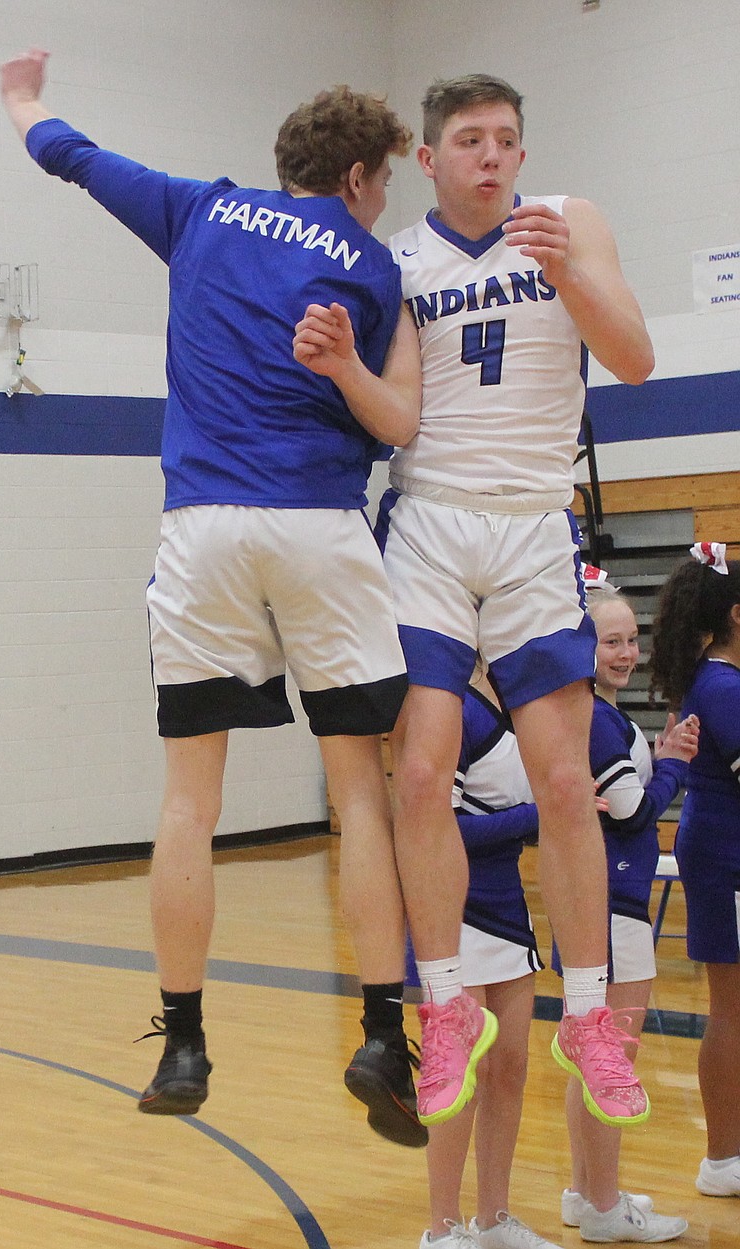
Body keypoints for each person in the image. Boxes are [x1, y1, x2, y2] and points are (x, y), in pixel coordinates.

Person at [0, 48, 429, 1146]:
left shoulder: (201, 212)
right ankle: (383, 1032)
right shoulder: (376, 270)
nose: (384, 201)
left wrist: (23, 96)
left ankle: (184, 1038)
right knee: (359, 791)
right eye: (384, 179)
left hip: (202, 533)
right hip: (321, 530)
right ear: (355, 177)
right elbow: (395, 423)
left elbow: (73, 158)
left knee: (190, 799)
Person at [376, 71, 657, 1129]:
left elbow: (631, 358)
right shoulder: (399, 261)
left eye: (503, 140)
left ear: (521, 153)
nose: (489, 156)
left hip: (536, 520)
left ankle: (586, 1013)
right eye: (467, 140)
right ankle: (442, 1001)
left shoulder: (568, 222)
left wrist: (566, 275)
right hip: (432, 520)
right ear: (428, 156)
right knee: (419, 770)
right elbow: (389, 414)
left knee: (560, 779)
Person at [555, 571, 693, 1242]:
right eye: (611, 640)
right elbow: (634, 811)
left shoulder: (593, 713)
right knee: (610, 1060)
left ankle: (588, 1191)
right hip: (614, 907)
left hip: (598, 903)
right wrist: (673, 763)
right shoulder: (600, 721)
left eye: (632, 639)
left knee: (592, 1056)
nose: (625, 652)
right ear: (582, 647)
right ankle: (605, 1206)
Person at [414, 674, 562, 1249]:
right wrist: (537, 815)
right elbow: (431, 826)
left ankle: (494, 1218)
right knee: (458, 1076)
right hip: (454, 911)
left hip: (508, 906)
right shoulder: (450, 704)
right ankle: (443, 1228)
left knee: (510, 1067)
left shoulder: (527, 698)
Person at [649, 542, 740, 1200]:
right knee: (730, 1009)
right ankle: (722, 1157)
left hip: (720, 843)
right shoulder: (722, 686)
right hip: (725, 854)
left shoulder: (721, 680)